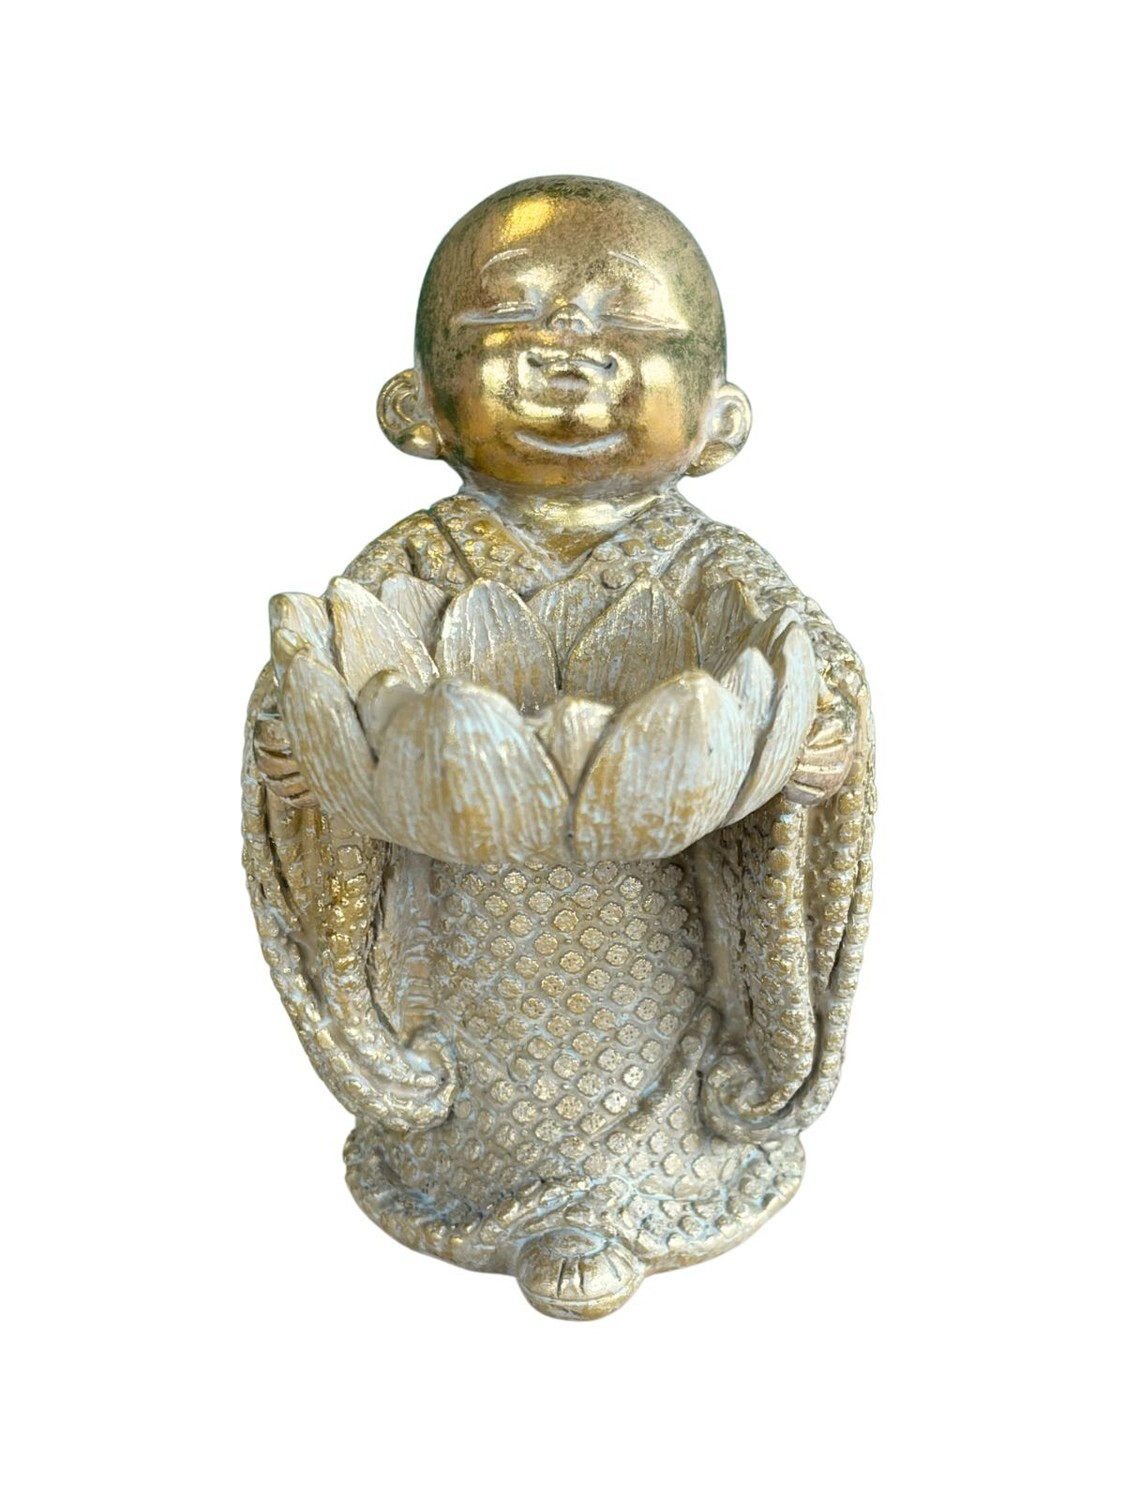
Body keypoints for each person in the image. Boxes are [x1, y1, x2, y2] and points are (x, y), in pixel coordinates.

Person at [244, 176, 873, 1319]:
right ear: (415, 409)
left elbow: (805, 667)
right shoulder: (413, 561)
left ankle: (651, 1184)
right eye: (505, 322)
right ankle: (472, 1177)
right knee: (487, 1063)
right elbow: (321, 669)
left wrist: (814, 750)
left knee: (656, 1032)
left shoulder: (715, 569)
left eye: (627, 328)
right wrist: (305, 759)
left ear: (721, 420)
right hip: (462, 912)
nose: (566, 355)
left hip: (661, 915)